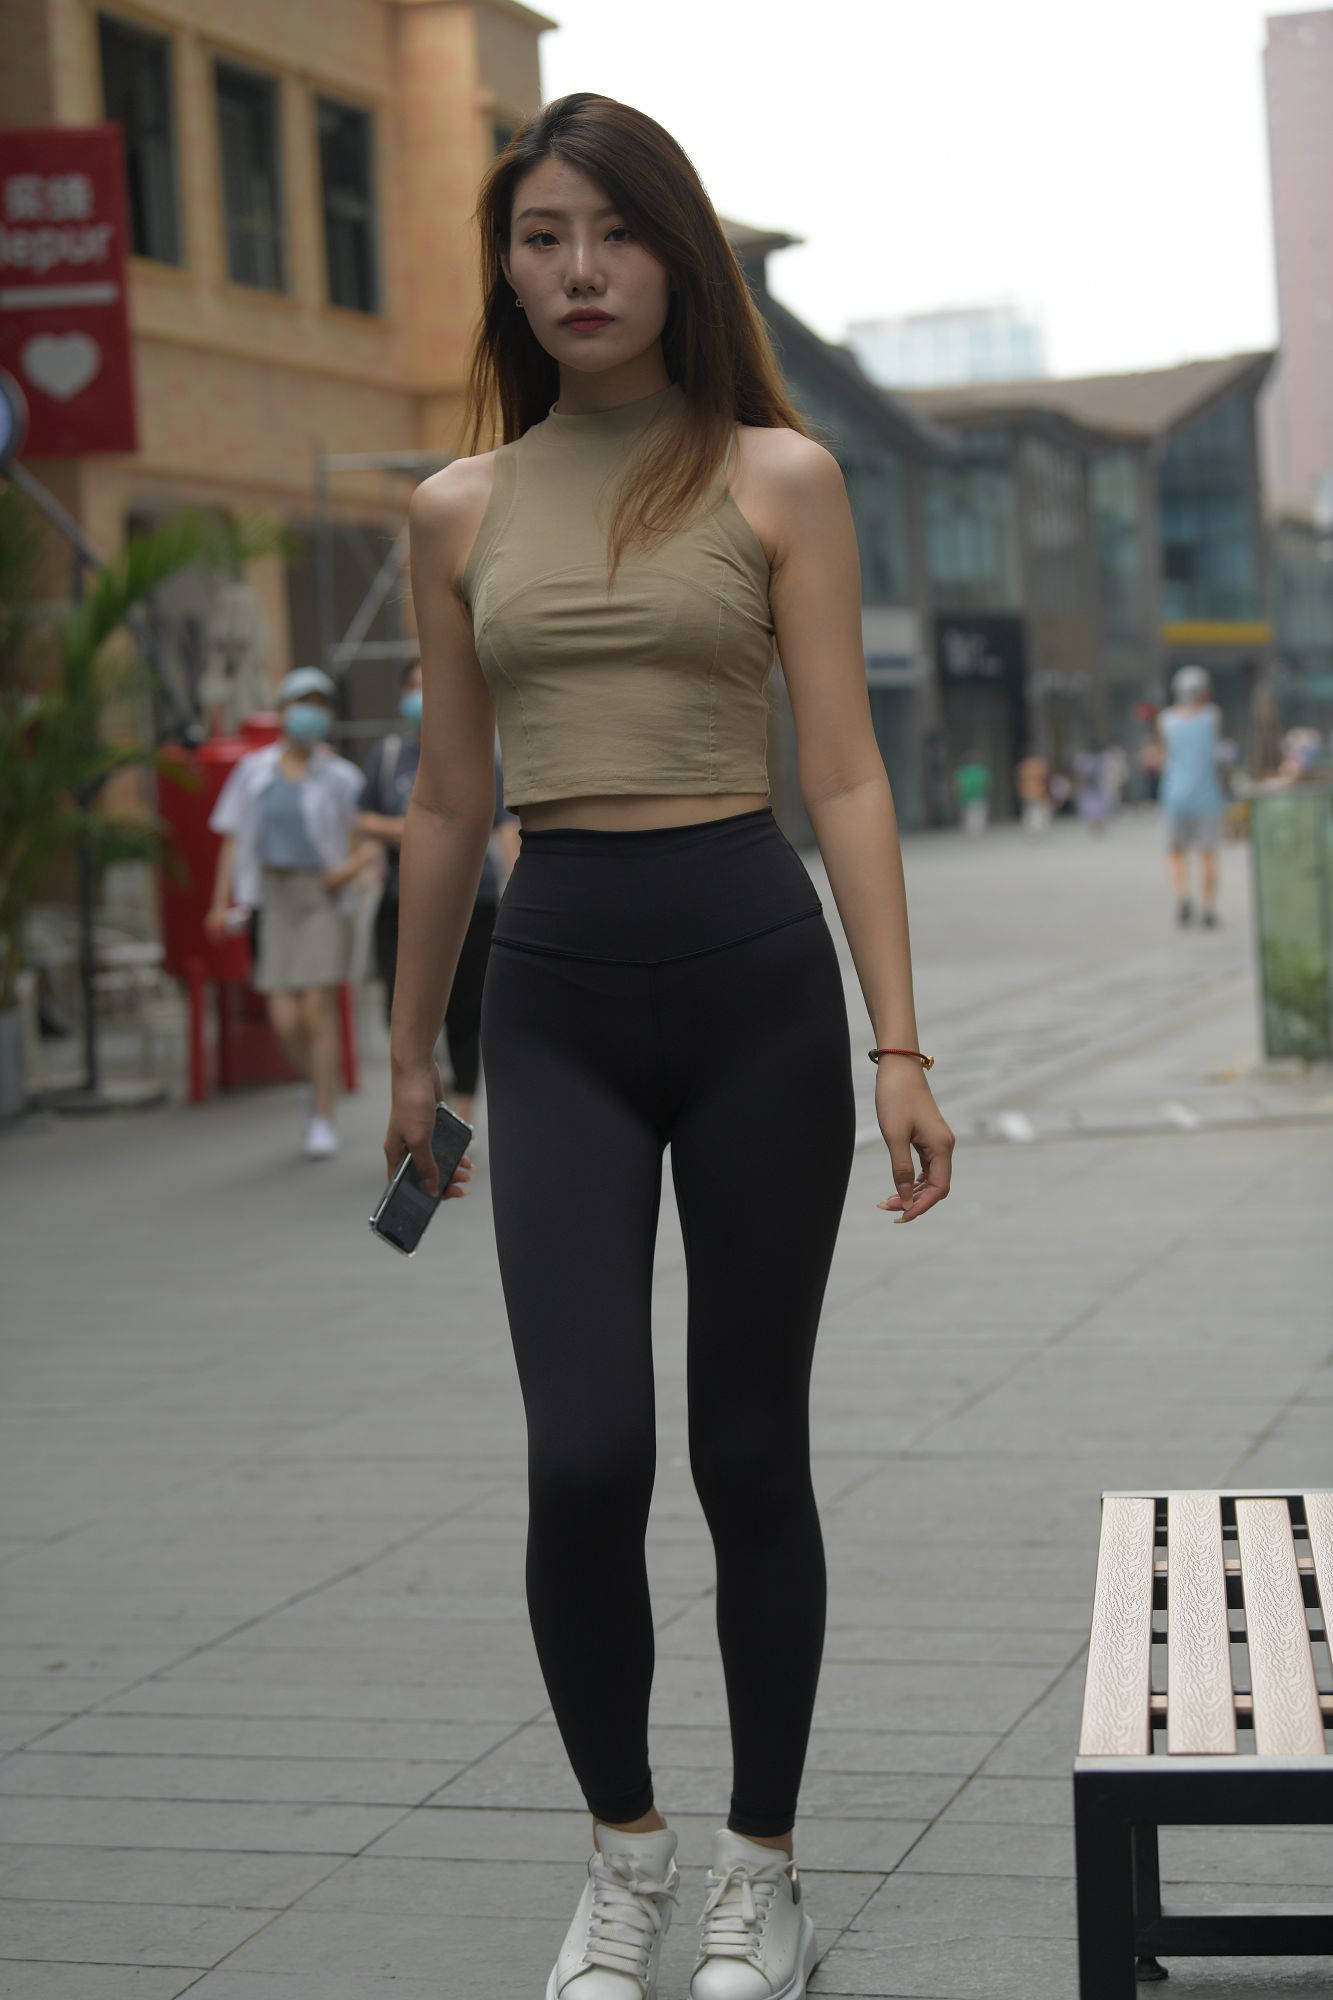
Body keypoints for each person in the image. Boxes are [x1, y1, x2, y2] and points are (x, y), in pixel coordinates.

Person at [386, 92, 954, 2000]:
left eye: (612, 233)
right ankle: (622, 1858)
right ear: (507, 267)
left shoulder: (780, 477)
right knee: (580, 1456)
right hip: (551, 997)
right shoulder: (454, 508)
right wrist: (413, 1060)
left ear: (674, 254)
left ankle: (757, 1872)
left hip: (751, 985)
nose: (577, 270)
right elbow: (449, 804)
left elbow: (845, 772)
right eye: (541, 237)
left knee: (746, 1452)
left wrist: (897, 1045)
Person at [205, 667, 379, 1156]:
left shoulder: (342, 777)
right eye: (302, 703)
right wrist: (219, 903)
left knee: (316, 1010)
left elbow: (367, 843)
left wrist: (347, 871)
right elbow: (232, 839)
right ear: (282, 710)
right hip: (271, 897)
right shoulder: (253, 771)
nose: (311, 714)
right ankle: (314, 1082)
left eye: (320, 705)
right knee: (283, 1018)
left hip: (321, 897)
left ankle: (322, 1117)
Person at [357, 657, 518, 1125]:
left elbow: (505, 828)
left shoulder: (480, 755)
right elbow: (362, 818)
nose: (423, 695)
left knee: (468, 1010)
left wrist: (515, 889)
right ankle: (428, 1080)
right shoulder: (389, 756)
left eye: (431, 683)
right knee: (404, 1010)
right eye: (414, 685)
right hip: (403, 901)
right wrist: (415, 830)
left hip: (474, 901)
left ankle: (460, 1116)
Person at [1157, 664, 1228, 928]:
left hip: (1174, 794)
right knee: (1208, 854)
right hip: (1208, 795)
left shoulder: (1166, 720)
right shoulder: (1212, 716)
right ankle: (1208, 908)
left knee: (1176, 852)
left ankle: (1183, 895)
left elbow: (1165, 755)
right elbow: (1218, 754)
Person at [1015, 749, 1052, 835]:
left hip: (1032, 791)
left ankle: (1034, 828)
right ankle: (1035, 828)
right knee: (1035, 810)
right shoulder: (1038, 765)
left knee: (1033, 810)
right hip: (1037, 791)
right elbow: (1046, 779)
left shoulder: (1024, 766)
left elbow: (1019, 780)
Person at [953, 754, 991, 835]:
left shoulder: (962, 772)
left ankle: (970, 830)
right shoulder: (981, 771)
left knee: (968, 814)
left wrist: (958, 794)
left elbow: (958, 785)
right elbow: (986, 783)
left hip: (966, 797)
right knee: (979, 813)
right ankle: (979, 830)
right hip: (979, 795)